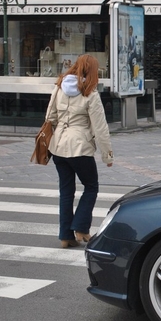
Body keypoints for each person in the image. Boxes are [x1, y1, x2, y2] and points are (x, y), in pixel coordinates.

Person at [45, 55, 114, 248]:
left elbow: (49, 117)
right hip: (79, 147)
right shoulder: (90, 93)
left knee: (66, 191)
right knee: (91, 186)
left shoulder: (59, 87)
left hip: (58, 147)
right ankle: (82, 228)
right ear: (92, 71)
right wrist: (107, 154)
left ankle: (65, 236)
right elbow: (100, 128)